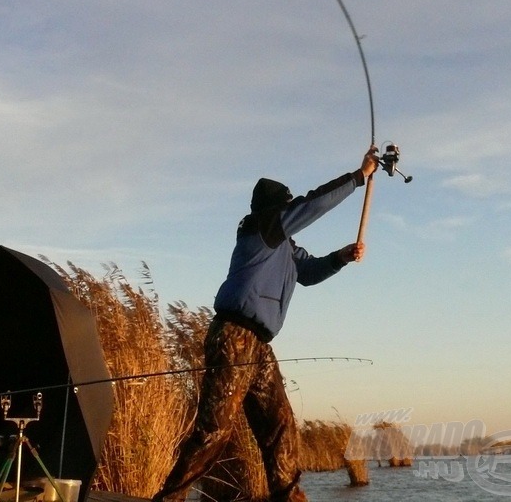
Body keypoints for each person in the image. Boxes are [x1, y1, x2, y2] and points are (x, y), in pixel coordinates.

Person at [153, 147, 379, 502]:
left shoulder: (284, 246)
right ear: (273, 208)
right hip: (233, 336)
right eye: (285, 205)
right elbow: (313, 204)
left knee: (281, 427)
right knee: (215, 430)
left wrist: (341, 257)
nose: (289, 210)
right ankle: (170, 498)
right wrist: (358, 176)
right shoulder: (259, 228)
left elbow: (309, 273)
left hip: (257, 345)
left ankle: (289, 497)